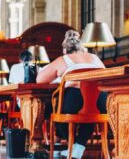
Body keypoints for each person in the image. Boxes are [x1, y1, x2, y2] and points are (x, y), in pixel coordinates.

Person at [37, 30, 106, 159]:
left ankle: (72, 145)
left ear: (65, 50)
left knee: (57, 112)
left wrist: (63, 80)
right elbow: (106, 76)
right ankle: (78, 147)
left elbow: (40, 79)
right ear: (82, 48)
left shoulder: (63, 59)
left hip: (74, 98)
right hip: (100, 100)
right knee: (89, 111)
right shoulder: (94, 58)